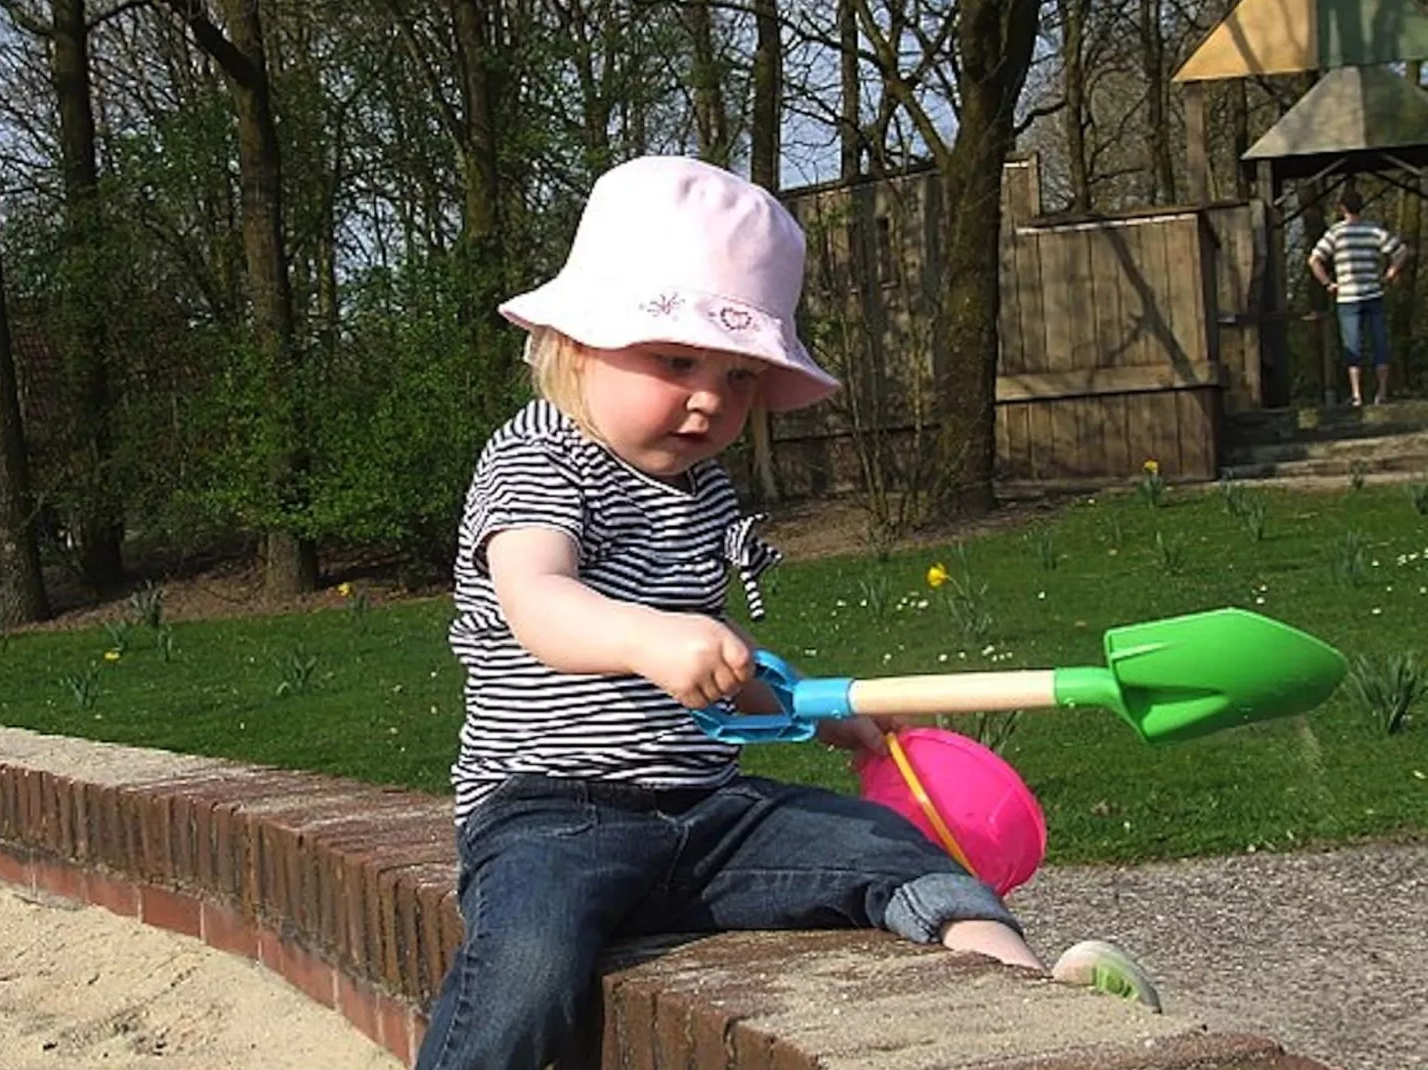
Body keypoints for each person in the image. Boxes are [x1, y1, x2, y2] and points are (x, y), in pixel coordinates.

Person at [416, 155, 1159, 1070]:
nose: (708, 398)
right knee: (528, 960)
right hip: (551, 812)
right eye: (676, 360)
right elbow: (538, 603)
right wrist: (650, 637)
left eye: (737, 377)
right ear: (576, 342)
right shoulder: (539, 455)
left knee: (892, 849)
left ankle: (1041, 1005)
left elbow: (724, 673)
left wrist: (818, 712)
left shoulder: (703, 489)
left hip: (711, 812)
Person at [1308, 189, 1410, 406]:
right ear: (1361, 207)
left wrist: (1328, 283)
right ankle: (1381, 392)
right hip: (1373, 292)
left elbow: (1314, 260)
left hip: (1347, 297)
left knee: (1352, 345)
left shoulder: (1336, 233)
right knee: (1379, 342)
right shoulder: (1373, 230)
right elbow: (1401, 251)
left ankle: (1357, 395)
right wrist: (1390, 274)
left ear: (1342, 208)